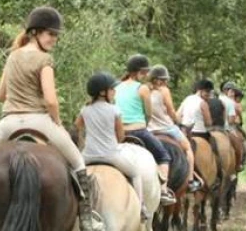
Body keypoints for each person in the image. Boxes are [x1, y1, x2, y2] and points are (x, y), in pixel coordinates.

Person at [0, 6, 104, 231]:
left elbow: (1, 95)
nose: (54, 39)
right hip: (39, 121)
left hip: (8, 123)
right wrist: (57, 121)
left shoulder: (12, 56)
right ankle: (87, 219)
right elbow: (51, 100)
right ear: (36, 32)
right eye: (51, 34)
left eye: (56, 35)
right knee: (78, 162)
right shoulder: (44, 60)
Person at [75, 73, 149, 220]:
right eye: (112, 89)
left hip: (88, 156)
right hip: (111, 155)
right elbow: (120, 136)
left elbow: (78, 126)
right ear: (103, 92)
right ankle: (140, 207)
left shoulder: (85, 110)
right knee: (135, 174)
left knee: (71, 175)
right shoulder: (114, 110)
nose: (114, 92)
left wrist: (84, 141)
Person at [114, 55, 176, 206]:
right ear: (140, 72)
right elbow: (148, 114)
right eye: (146, 72)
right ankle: (163, 191)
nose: (147, 75)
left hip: (117, 133)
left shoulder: (115, 87)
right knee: (163, 156)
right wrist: (144, 124)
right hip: (138, 132)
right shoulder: (142, 89)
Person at [146, 66, 203, 193]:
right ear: (159, 80)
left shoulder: (144, 90)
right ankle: (190, 180)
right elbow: (171, 110)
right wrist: (178, 121)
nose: (166, 83)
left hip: (149, 130)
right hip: (166, 128)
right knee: (188, 148)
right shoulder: (164, 90)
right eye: (165, 80)